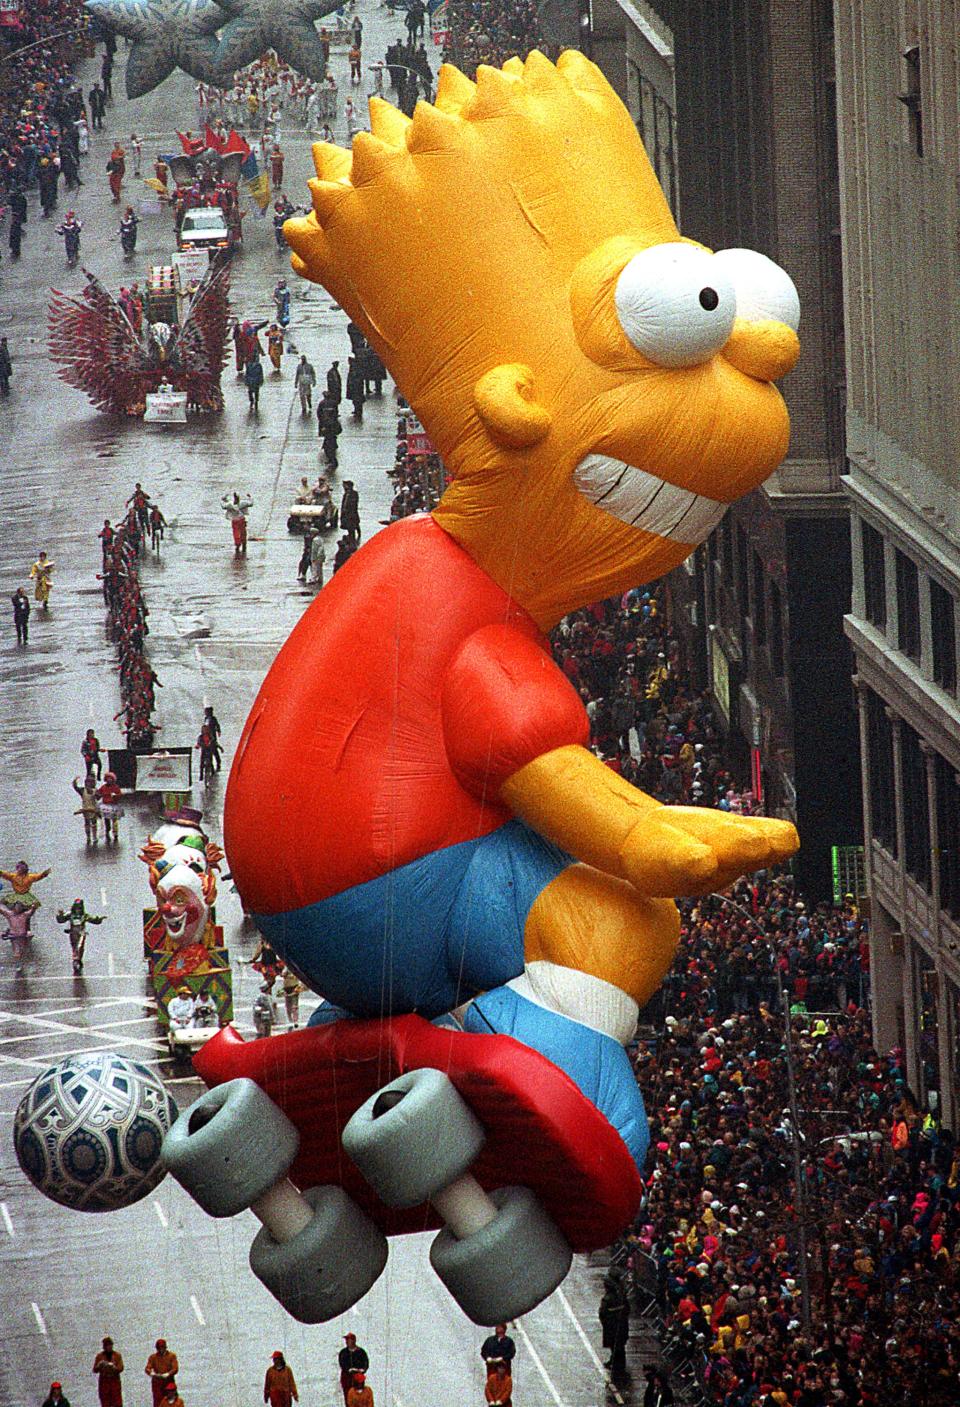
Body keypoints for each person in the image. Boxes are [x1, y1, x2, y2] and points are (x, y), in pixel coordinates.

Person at [57, 898, 104, 973]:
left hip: (81, 933)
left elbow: (93, 919)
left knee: (80, 946)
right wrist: (60, 915)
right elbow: (61, 920)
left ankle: (79, 958)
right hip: (73, 933)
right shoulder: (70, 914)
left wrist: (99, 919)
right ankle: (75, 959)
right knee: (74, 946)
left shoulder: (84, 915)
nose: (78, 910)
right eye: (76, 907)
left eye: (79, 908)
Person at [599, 1273, 630, 1375]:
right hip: (622, 1324)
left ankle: (618, 1365)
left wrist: (605, 1322)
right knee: (620, 1344)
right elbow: (627, 1309)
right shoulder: (621, 1296)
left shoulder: (607, 1299)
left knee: (616, 1345)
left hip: (612, 1325)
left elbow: (602, 1313)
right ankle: (616, 1361)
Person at [338, 1336, 369, 1406]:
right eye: (346, 1340)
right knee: (348, 1397)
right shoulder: (343, 1352)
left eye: (348, 1340)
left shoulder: (361, 1352)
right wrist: (349, 1369)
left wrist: (362, 1370)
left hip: (358, 1379)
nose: (346, 1342)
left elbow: (366, 1363)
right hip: (347, 1378)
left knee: (360, 1397)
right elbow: (342, 1363)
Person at [92, 1339, 124, 1407]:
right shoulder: (99, 1356)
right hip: (104, 1383)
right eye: (107, 1345)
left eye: (110, 1345)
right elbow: (95, 1370)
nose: (109, 1347)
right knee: (105, 1403)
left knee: (117, 1403)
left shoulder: (117, 1355)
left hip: (114, 1382)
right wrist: (99, 1365)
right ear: (104, 1347)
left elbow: (121, 1368)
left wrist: (113, 1367)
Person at [72, 775, 101, 845]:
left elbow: (98, 797)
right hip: (85, 809)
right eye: (88, 782)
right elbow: (76, 788)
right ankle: (88, 836)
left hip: (93, 809)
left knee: (94, 823)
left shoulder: (95, 790)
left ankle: (94, 836)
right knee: (87, 823)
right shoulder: (83, 790)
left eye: (91, 782)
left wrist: (96, 794)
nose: (89, 784)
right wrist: (74, 782)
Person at [96, 772, 123, 844]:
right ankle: (107, 831)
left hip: (113, 805)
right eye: (108, 778)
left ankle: (115, 833)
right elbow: (98, 794)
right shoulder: (103, 787)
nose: (109, 780)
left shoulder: (116, 787)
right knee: (106, 820)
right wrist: (97, 793)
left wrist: (116, 796)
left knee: (114, 821)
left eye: (110, 779)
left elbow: (119, 795)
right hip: (105, 806)